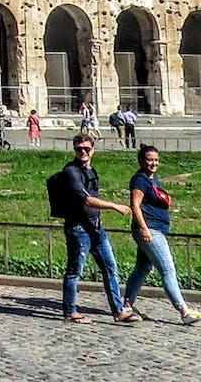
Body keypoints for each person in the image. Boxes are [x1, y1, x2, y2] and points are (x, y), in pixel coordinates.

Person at [56, 132, 137, 324]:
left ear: (93, 149)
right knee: (75, 270)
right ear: (74, 150)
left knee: (110, 268)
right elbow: (87, 199)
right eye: (79, 149)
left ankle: (119, 311)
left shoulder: (91, 170)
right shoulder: (71, 171)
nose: (83, 152)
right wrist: (114, 206)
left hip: (96, 228)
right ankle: (70, 311)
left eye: (87, 149)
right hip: (78, 229)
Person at [122, 145, 201, 324]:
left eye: (156, 160)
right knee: (167, 269)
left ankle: (127, 305)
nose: (153, 163)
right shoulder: (139, 180)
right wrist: (144, 229)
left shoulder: (153, 179)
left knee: (141, 269)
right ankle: (184, 311)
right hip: (150, 230)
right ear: (141, 161)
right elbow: (135, 205)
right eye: (149, 159)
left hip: (156, 229)